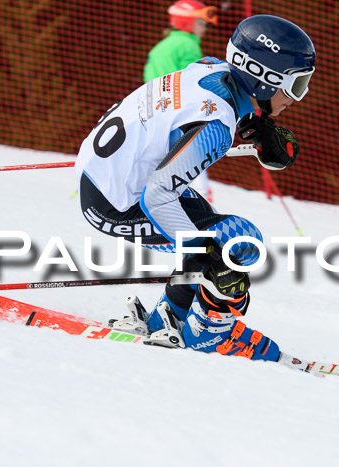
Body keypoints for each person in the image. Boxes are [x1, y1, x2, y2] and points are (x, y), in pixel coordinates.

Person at [75, 15, 316, 362]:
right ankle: (209, 334)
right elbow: (158, 197)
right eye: (296, 85)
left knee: (215, 231)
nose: (298, 98)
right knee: (241, 244)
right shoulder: (215, 128)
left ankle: (169, 317)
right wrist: (205, 256)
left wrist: (258, 126)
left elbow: (183, 114)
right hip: (117, 202)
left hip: (111, 175)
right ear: (265, 80)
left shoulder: (210, 68)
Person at [143, 0, 219, 202]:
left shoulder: (164, 44)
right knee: (191, 152)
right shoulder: (188, 45)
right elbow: (192, 81)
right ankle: (204, 199)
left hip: (155, 108)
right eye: (201, 23)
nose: (204, 28)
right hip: (174, 110)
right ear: (188, 23)